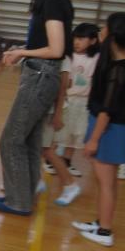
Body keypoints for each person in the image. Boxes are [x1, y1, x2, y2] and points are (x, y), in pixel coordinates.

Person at [0, 0, 73, 216]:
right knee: (28, 139)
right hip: (40, 73)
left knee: (10, 139)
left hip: (41, 74)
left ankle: (18, 201)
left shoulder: (52, 1)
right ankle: (25, 195)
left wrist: (20, 52)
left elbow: (56, 48)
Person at [72, 13, 125, 247]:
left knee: (106, 183)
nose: (101, 30)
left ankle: (105, 232)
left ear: (114, 33)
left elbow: (107, 109)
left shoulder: (119, 69)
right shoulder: (120, 64)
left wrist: (93, 140)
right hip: (110, 128)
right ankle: (101, 222)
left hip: (110, 130)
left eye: (105, 26)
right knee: (107, 182)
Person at [52, 23, 100, 177]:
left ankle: (66, 161)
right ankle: (51, 161)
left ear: (93, 41)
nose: (76, 42)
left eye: (81, 39)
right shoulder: (68, 56)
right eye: (75, 38)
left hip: (84, 102)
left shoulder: (96, 58)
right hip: (67, 99)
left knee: (76, 133)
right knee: (60, 131)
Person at [40, 55, 81, 206]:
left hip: (53, 111)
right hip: (43, 108)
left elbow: (64, 86)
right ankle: (36, 181)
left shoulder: (63, 58)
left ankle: (70, 185)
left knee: (47, 150)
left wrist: (57, 114)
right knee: (38, 147)